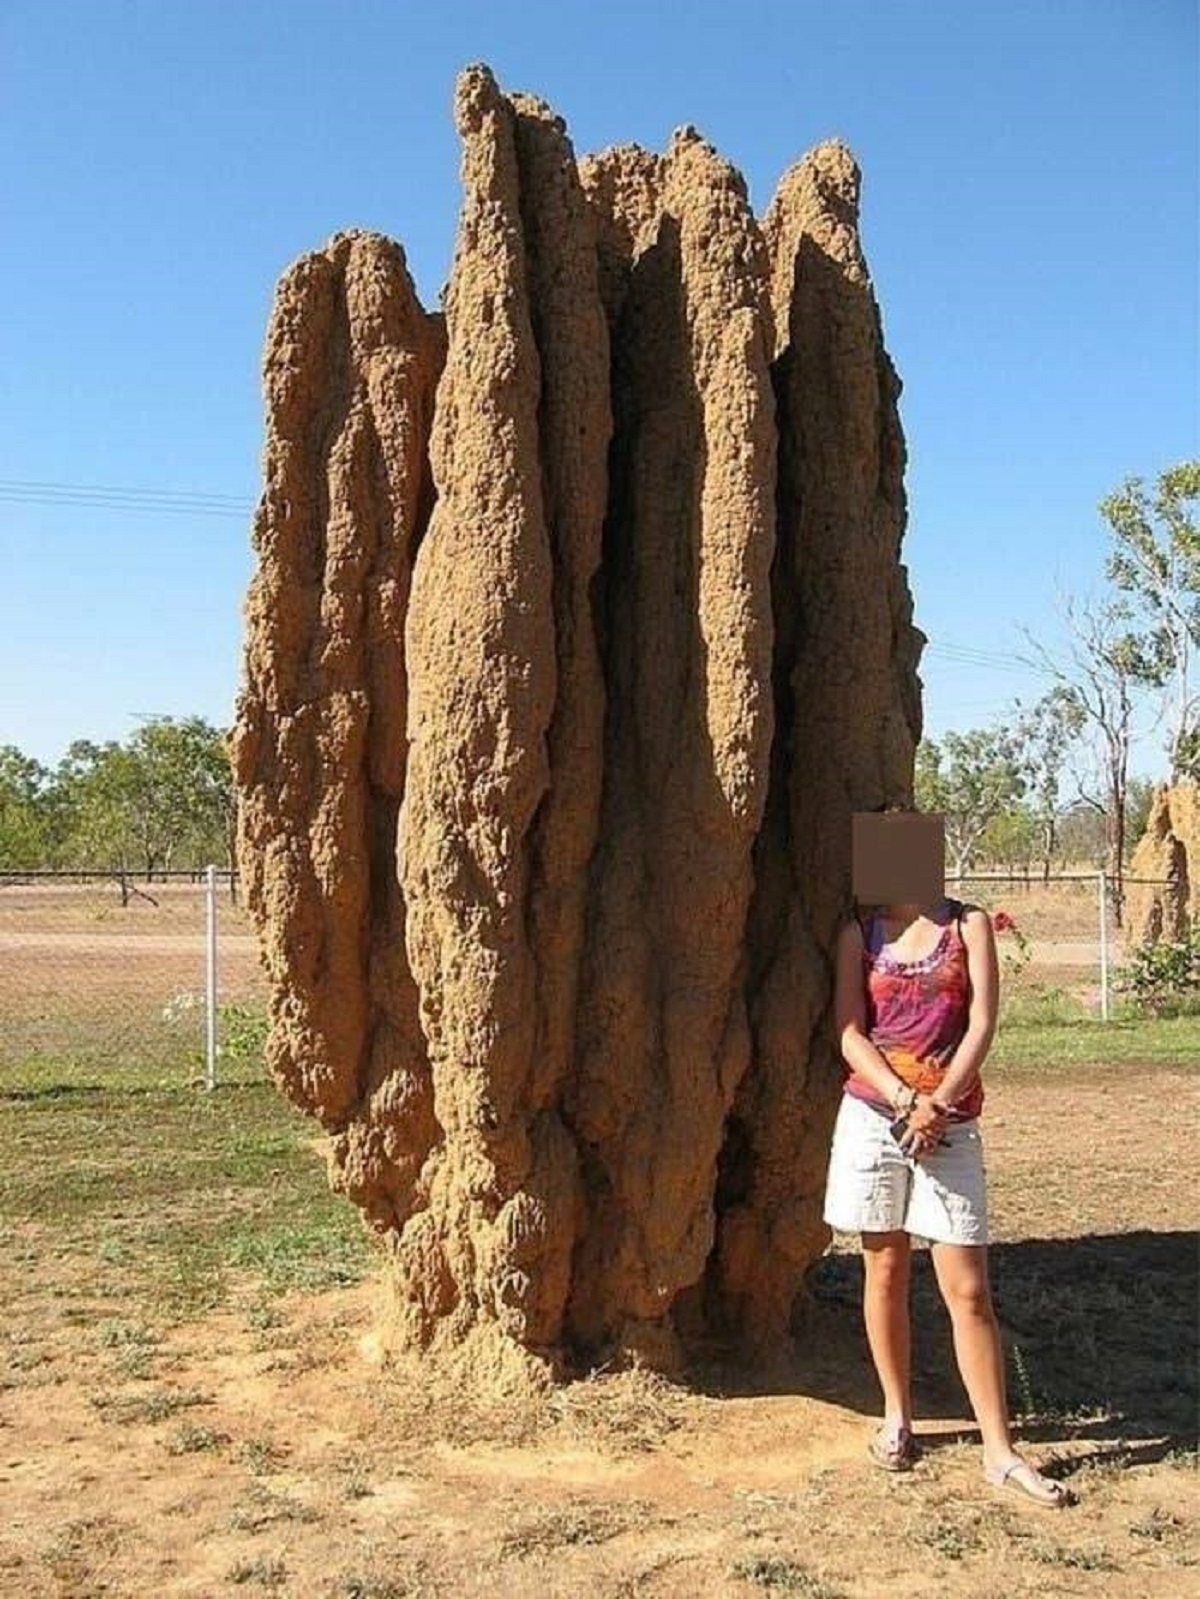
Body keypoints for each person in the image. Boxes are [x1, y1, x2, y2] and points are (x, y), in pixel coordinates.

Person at [821, 880, 1070, 1507]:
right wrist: (905, 1100)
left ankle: (1000, 1451)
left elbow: (983, 1020)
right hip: (875, 1118)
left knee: (968, 1289)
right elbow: (849, 1031)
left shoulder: (969, 925)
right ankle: (897, 1419)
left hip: (949, 1125)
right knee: (884, 1268)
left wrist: (938, 1104)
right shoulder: (859, 932)